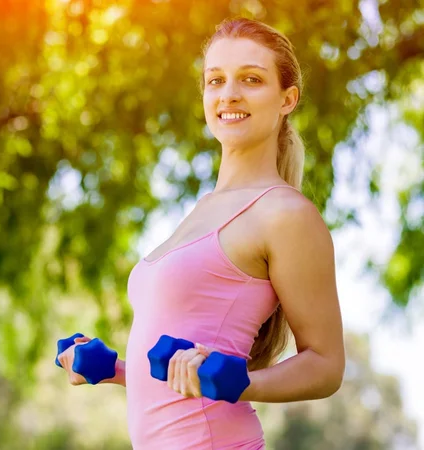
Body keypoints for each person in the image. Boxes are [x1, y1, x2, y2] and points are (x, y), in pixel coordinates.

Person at [57, 17, 345, 449]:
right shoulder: (201, 210)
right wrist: (113, 368)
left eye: (251, 79)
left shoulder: (284, 213)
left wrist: (241, 382)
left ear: (287, 99)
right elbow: (183, 372)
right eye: (216, 80)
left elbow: (326, 365)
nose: (229, 94)